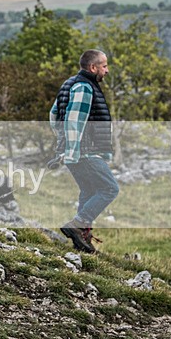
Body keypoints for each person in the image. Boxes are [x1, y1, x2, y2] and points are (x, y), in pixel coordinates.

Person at [50, 49, 119, 253]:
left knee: (89, 191)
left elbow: (53, 115)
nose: (107, 70)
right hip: (84, 152)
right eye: (104, 66)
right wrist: (72, 149)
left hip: (75, 151)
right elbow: (74, 121)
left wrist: (62, 143)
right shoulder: (84, 87)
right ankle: (77, 225)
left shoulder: (69, 84)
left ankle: (82, 240)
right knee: (109, 189)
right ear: (93, 67)